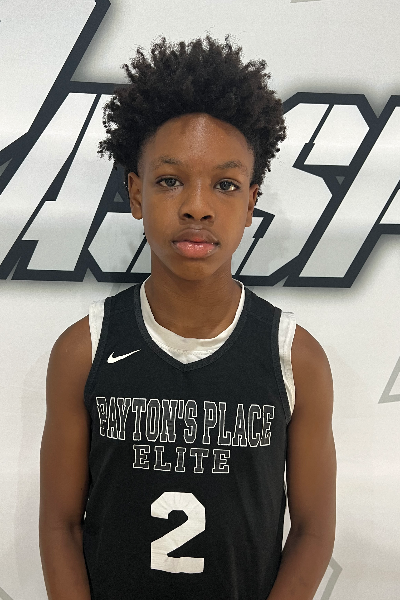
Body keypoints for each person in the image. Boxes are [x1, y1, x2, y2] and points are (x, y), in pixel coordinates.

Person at [39, 36, 336, 600]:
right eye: (171, 180)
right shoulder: (84, 350)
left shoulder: (295, 358)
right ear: (136, 193)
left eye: (224, 185)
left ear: (250, 204)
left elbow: (314, 531)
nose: (197, 206)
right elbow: (59, 526)